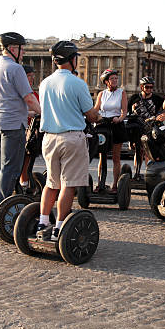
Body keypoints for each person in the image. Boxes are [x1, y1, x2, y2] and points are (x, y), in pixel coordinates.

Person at [35, 41, 99, 241]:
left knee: (51, 183)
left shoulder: (44, 82)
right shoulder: (77, 83)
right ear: (72, 60)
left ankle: (42, 222)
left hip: (49, 138)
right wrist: (98, 112)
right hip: (71, 137)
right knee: (68, 184)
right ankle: (59, 228)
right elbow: (90, 116)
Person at [0, 32, 41, 221]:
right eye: (22, 49)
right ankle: (0, 209)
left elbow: (6, 101)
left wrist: (28, 112)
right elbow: (29, 98)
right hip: (11, 126)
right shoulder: (16, 69)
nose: (23, 53)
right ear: (13, 48)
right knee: (10, 168)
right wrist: (44, 112)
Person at [93, 69, 128, 193]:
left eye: (116, 78)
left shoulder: (121, 93)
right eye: (112, 79)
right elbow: (96, 109)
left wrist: (119, 119)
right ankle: (100, 183)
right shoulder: (101, 94)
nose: (115, 81)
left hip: (116, 125)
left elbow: (124, 111)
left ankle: (114, 185)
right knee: (102, 156)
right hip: (103, 125)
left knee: (115, 157)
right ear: (106, 81)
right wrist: (92, 116)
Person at [127, 76, 163, 180]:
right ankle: (136, 173)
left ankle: (148, 175)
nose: (149, 89)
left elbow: (164, 109)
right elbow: (128, 113)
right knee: (138, 152)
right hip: (137, 129)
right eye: (147, 87)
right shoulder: (134, 98)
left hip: (150, 129)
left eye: (151, 87)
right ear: (142, 87)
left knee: (149, 152)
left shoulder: (157, 99)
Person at [19, 64, 39, 190]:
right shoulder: (20, 91)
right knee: (22, 157)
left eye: (32, 76)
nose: (31, 79)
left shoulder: (34, 93)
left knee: (28, 157)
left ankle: (25, 182)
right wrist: (33, 113)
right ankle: (22, 183)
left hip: (32, 130)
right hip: (22, 128)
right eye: (29, 76)